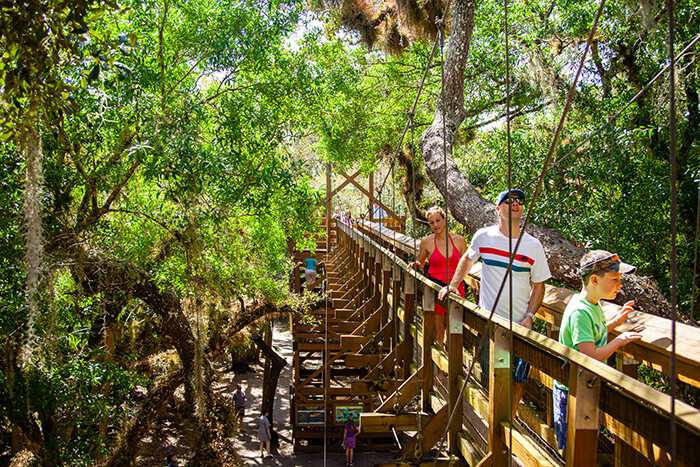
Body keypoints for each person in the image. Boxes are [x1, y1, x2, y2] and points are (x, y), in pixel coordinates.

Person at [438, 188, 551, 417]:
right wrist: (453, 284)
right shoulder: (484, 236)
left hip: (520, 325)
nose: (516, 204)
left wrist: (529, 316)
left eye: (520, 201)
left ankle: (509, 419)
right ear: (498, 210)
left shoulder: (533, 246)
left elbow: (539, 286)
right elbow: (467, 260)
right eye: (509, 201)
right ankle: (496, 420)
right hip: (489, 321)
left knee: (518, 379)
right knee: (493, 374)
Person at [553, 250, 643, 451]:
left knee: (584, 445)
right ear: (594, 279)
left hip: (583, 386)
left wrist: (615, 322)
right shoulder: (580, 312)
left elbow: (594, 334)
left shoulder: (591, 304)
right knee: (573, 448)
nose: (620, 285)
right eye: (614, 279)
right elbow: (589, 356)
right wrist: (618, 341)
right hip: (572, 392)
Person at [408, 205, 468, 350]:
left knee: (455, 332)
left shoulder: (459, 241)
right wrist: (414, 265)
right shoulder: (426, 242)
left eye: (438, 220)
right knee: (438, 332)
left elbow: (467, 265)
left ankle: (452, 367)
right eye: (432, 222)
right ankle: (440, 371)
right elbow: (421, 263)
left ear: (444, 220)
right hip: (435, 289)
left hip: (456, 289)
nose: (436, 225)